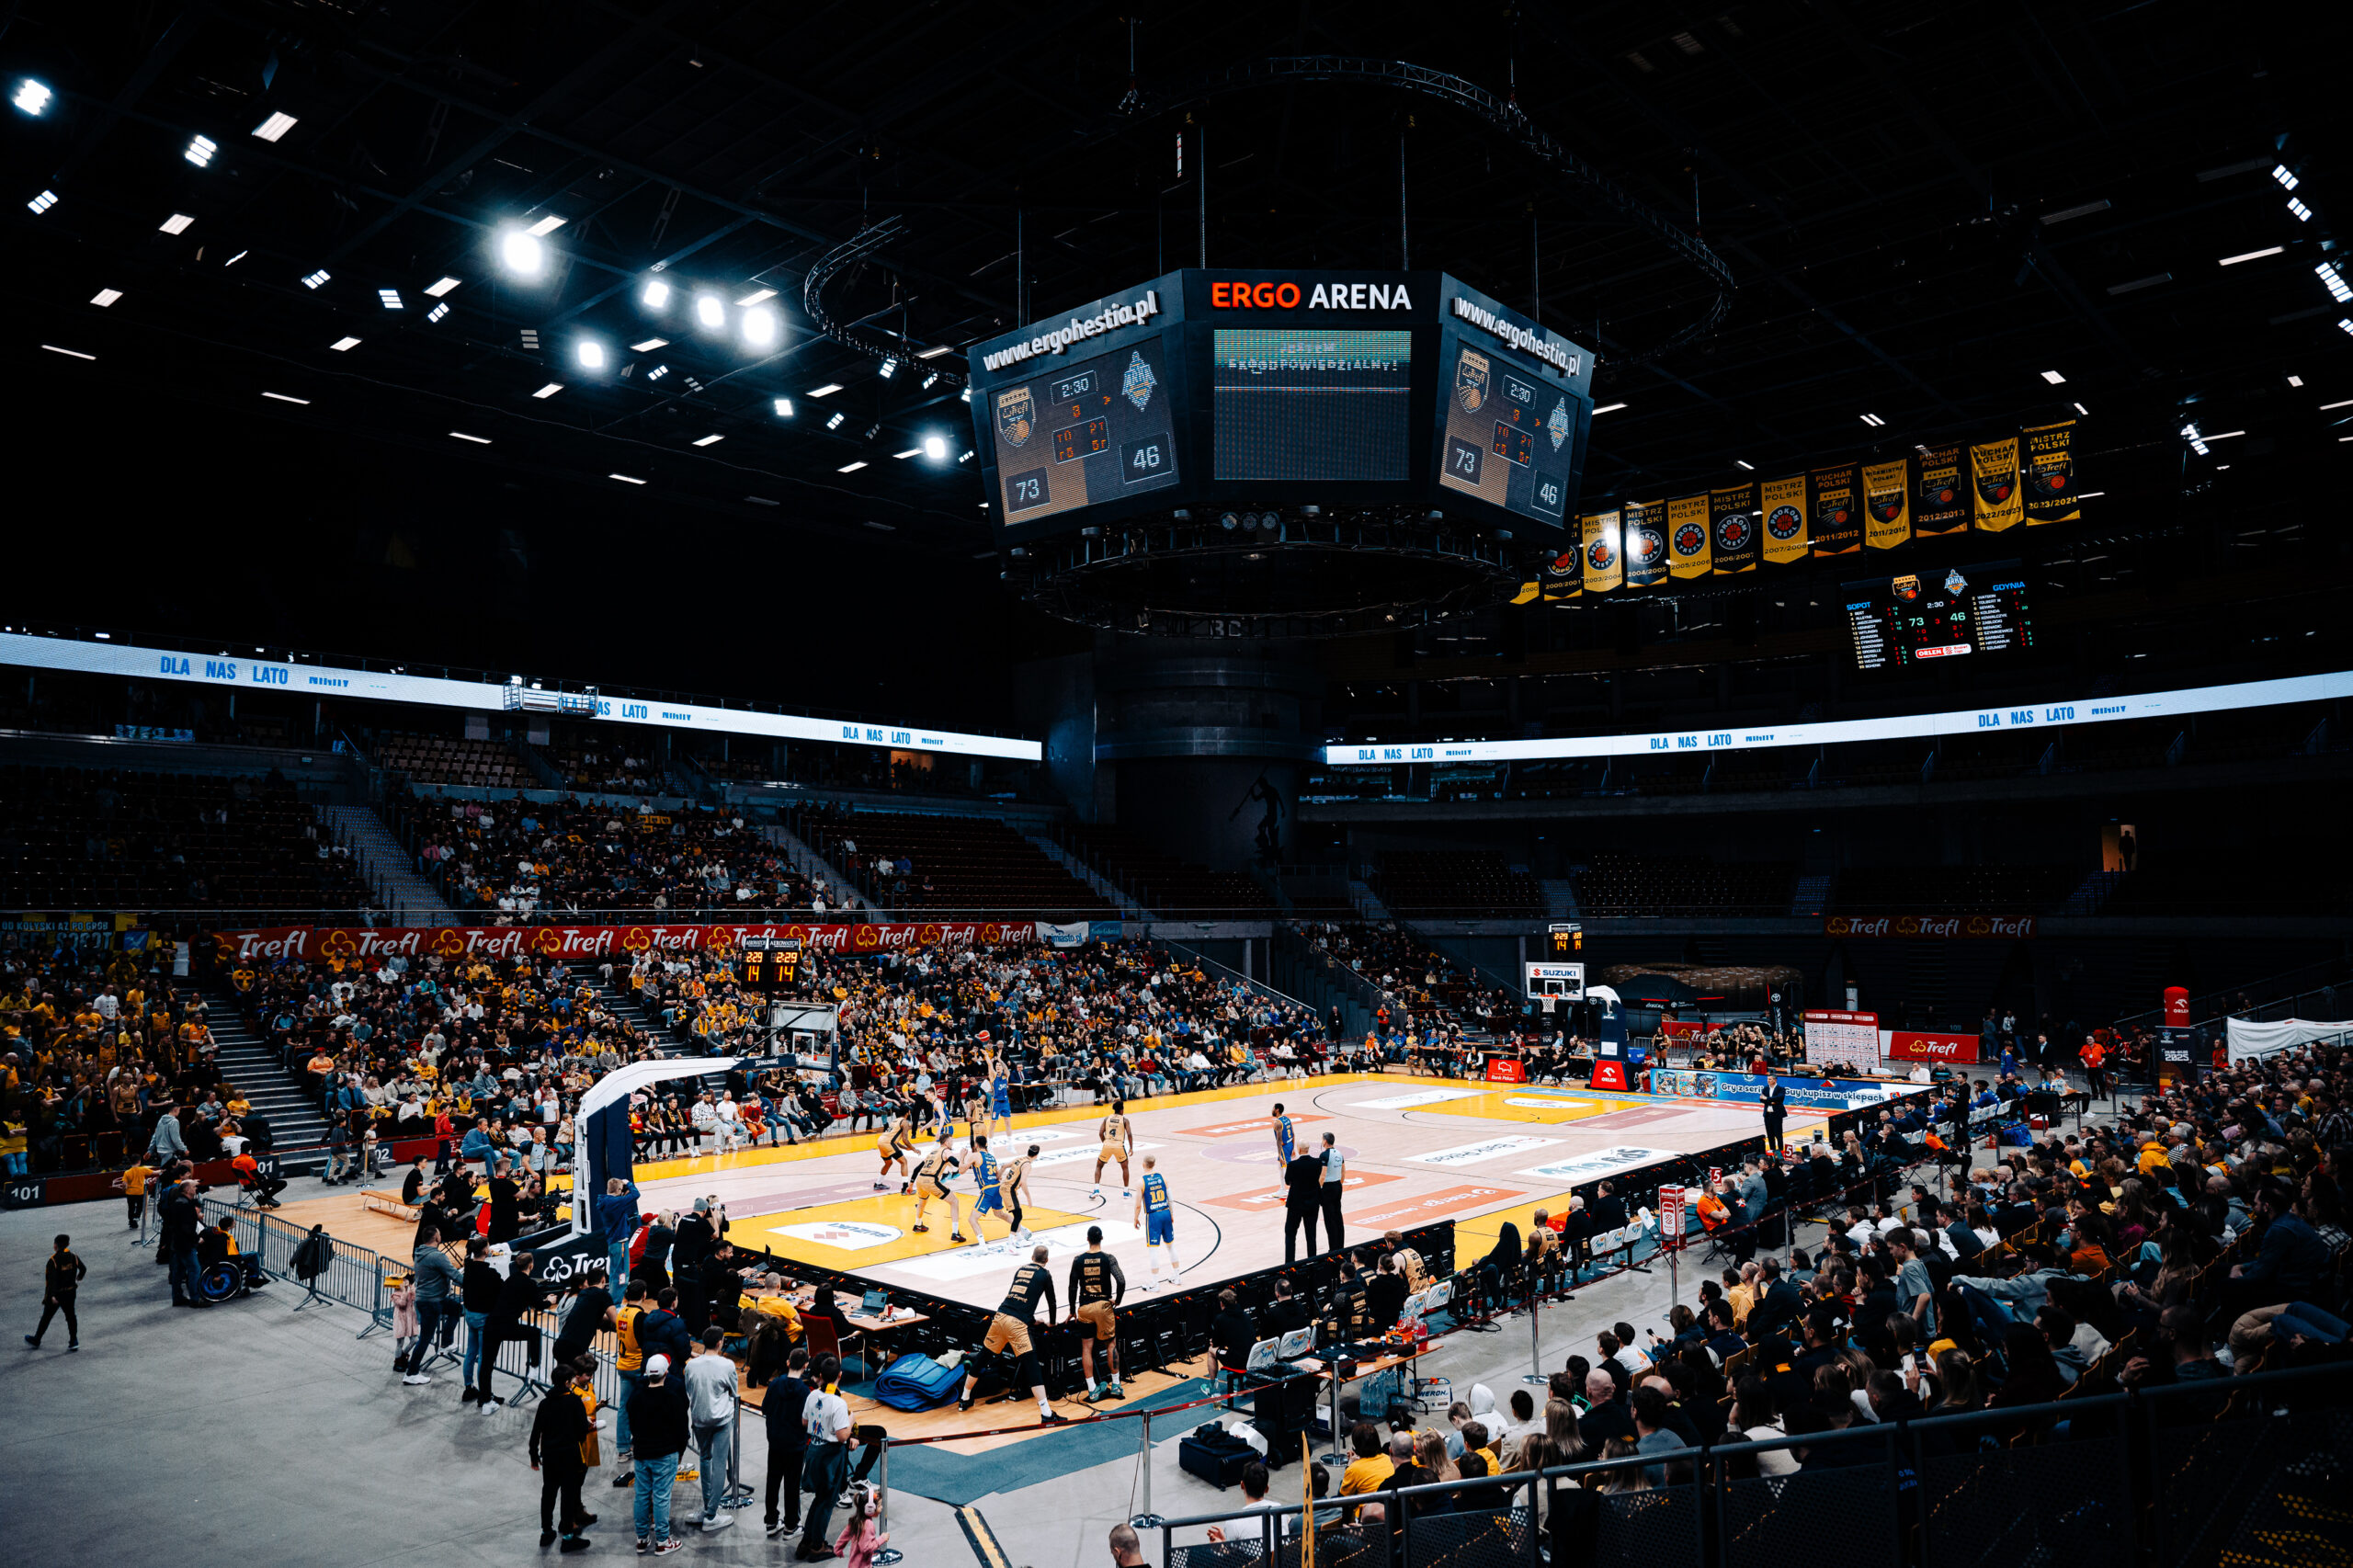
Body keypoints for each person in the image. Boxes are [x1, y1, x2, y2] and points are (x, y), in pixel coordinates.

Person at [959, 1244, 1065, 1424]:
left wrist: (1032, 1319)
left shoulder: (1021, 1269)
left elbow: (1018, 1298)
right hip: (1017, 1325)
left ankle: (964, 1399)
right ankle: (1046, 1413)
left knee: (983, 1358)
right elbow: (1052, 1302)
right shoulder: (1045, 1275)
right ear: (1046, 1260)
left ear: (1032, 1258)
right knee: (1032, 1367)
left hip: (1000, 1317)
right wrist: (1053, 1323)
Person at [529, 1358, 598, 1552]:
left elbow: (536, 1432)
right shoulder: (574, 1401)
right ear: (568, 1382)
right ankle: (568, 1537)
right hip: (570, 1456)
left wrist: (534, 1455)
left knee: (548, 1494)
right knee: (568, 1496)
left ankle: (546, 1532)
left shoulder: (544, 1404)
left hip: (550, 1457)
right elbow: (582, 1429)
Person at [629, 1351, 691, 1555]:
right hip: (665, 1453)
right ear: (666, 1373)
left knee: (642, 1496)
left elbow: (632, 1424)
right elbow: (681, 1429)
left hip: (642, 1452)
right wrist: (680, 1451)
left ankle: (641, 1538)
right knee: (662, 1496)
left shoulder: (636, 1397)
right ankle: (663, 1540)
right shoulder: (672, 1398)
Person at [797, 1354, 858, 1562]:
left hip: (814, 1449)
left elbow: (805, 1422)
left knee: (819, 1498)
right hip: (830, 1456)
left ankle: (807, 1541)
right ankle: (817, 1545)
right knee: (827, 1501)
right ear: (840, 1375)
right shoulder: (838, 1403)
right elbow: (842, 1436)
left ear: (820, 1375)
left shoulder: (812, 1395)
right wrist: (851, 1420)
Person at [476, 1250, 554, 1409]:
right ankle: (534, 1368)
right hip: (506, 1326)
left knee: (486, 1365)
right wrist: (549, 1301)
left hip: (492, 1324)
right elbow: (539, 1305)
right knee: (535, 1333)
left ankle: (484, 1399)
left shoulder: (510, 1279)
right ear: (531, 1265)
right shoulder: (529, 1283)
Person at [685, 1325, 739, 1533]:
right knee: (718, 1465)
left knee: (704, 1459)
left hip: (699, 1418)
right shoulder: (727, 1365)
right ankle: (711, 1514)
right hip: (721, 1420)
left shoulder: (691, 1365)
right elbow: (734, 1391)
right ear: (719, 1343)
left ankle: (708, 1507)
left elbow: (689, 1388)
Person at [1068, 1224, 1127, 1400]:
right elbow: (1121, 1281)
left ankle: (1092, 1389)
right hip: (1103, 1306)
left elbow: (1072, 1287)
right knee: (1111, 1345)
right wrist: (1118, 1300)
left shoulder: (1078, 1260)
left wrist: (1072, 1310)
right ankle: (1116, 1385)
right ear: (1101, 1238)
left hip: (1085, 1308)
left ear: (1087, 1239)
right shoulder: (1108, 1258)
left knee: (1086, 1348)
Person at [764, 1346, 814, 1540]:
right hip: (795, 1444)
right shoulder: (804, 1391)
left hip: (775, 1441)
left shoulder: (775, 1384)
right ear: (806, 1366)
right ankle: (791, 1525)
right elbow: (806, 1420)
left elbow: (765, 1408)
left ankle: (771, 1521)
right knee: (792, 1485)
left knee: (773, 1481)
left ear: (787, 1363)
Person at [402, 1229, 461, 1385]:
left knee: (456, 1308)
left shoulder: (420, 1253)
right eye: (440, 1234)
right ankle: (411, 1373)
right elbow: (455, 1275)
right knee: (425, 1338)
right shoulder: (437, 1256)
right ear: (435, 1237)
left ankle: (446, 1343)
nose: (441, 1236)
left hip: (429, 1299)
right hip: (431, 1302)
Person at [26, 1233, 85, 1351]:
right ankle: (74, 1341)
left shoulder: (53, 1261)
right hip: (70, 1292)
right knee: (71, 1316)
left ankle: (37, 1339)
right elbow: (83, 1268)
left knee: (46, 1317)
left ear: (55, 1246)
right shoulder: (74, 1257)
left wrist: (52, 1295)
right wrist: (79, 1276)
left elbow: (51, 1281)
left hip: (57, 1294)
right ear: (68, 1244)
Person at [1132, 1154, 1181, 1288]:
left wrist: (1135, 1218)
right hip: (1165, 1212)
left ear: (1143, 1164)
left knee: (1153, 1250)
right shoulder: (1163, 1178)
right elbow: (1171, 1199)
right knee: (1171, 1246)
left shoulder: (1141, 1182)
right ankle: (1177, 1276)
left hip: (1153, 1216)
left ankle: (1155, 1283)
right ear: (1154, 1164)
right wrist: (1171, 1214)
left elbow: (1138, 1205)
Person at [909, 1137, 965, 1241]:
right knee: (954, 1201)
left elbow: (916, 1169)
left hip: (920, 1180)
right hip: (931, 1180)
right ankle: (955, 1233)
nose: (952, 1143)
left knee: (922, 1202)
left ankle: (918, 1225)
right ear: (946, 1142)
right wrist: (962, 1157)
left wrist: (910, 1185)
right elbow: (957, 1164)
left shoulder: (933, 1152)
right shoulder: (946, 1151)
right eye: (951, 1141)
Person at [160, 1176, 204, 1308]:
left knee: (178, 1272)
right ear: (187, 1190)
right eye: (194, 1187)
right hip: (185, 1244)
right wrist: (197, 1239)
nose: (196, 1189)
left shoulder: (178, 1202)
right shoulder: (186, 1205)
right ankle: (195, 1299)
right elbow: (186, 1227)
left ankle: (177, 1297)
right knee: (194, 1270)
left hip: (177, 1242)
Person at [1283, 1147, 1325, 1263]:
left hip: (1296, 1205)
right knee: (1311, 1234)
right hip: (1312, 1203)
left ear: (1299, 1149)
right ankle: (1312, 1261)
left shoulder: (1292, 1165)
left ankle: (1289, 1263)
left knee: (1290, 1233)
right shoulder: (1317, 1163)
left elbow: (1287, 1181)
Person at [1092, 1100, 1133, 1197]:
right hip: (1119, 1146)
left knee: (1099, 1166)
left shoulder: (1107, 1119)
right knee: (1125, 1167)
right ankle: (1126, 1192)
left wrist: (1105, 1142)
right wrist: (1131, 1148)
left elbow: (1100, 1133)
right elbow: (1129, 1134)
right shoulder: (1125, 1120)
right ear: (1122, 1110)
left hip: (1107, 1145)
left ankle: (1096, 1190)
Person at [1318, 1131, 1347, 1254]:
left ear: (1325, 1141)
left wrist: (1317, 1190)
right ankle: (1341, 1245)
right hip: (1337, 1186)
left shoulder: (1324, 1155)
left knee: (1329, 1219)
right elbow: (1343, 1172)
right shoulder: (1339, 1153)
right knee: (1338, 1216)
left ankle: (1333, 1248)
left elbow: (1322, 1175)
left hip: (1328, 1188)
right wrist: (1339, 1184)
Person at [872, 1113, 915, 1193]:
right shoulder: (905, 1122)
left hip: (881, 1141)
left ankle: (878, 1183)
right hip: (888, 1143)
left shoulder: (895, 1121)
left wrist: (905, 1148)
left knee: (888, 1163)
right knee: (904, 1162)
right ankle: (905, 1188)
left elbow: (894, 1140)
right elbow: (905, 1139)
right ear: (907, 1113)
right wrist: (913, 1149)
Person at [1269, 1102, 1299, 1199]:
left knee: (1287, 1170)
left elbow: (1279, 1140)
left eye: (1273, 1108)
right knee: (1280, 1167)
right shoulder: (1287, 1119)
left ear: (1277, 1110)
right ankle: (1282, 1189)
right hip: (1290, 1144)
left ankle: (1295, 1190)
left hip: (1284, 1148)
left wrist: (1280, 1154)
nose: (1272, 1110)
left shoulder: (1277, 1123)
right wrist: (1293, 1148)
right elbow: (1293, 1134)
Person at [1761, 1069, 1788, 1155]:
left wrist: (1767, 1099)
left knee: (1778, 1133)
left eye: (1770, 1079)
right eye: (1768, 1079)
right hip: (1767, 1115)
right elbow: (1761, 1099)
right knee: (1770, 1134)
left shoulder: (1781, 1089)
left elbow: (1780, 1098)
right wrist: (1771, 1101)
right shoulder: (1765, 1088)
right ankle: (1772, 1149)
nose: (1768, 1081)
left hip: (1777, 1115)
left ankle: (1780, 1150)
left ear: (1775, 1080)